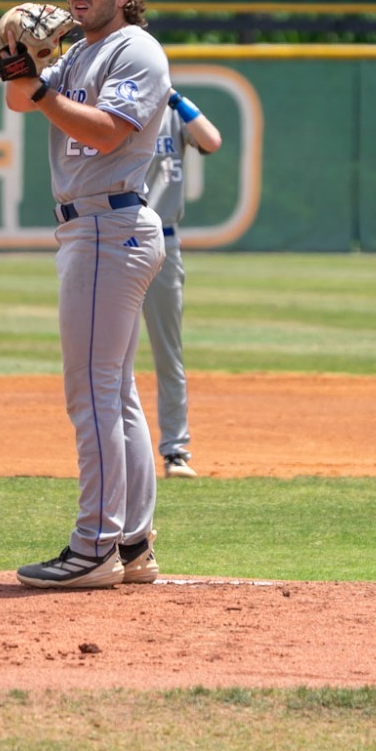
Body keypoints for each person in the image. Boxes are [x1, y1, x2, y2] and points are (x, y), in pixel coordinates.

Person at [0, 0, 169, 589]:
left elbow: (104, 132)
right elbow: (21, 102)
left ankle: (92, 546)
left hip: (109, 225)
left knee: (92, 392)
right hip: (93, 229)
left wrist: (39, 85)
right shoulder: (76, 51)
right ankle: (130, 545)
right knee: (115, 392)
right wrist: (21, 68)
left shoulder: (135, 50)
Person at [142, 87, 224, 478]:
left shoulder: (174, 113)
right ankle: (113, 450)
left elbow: (212, 140)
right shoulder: (113, 108)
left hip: (165, 239)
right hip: (118, 236)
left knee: (167, 352)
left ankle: (176, 451)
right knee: (111, 356)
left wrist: (174, 99)